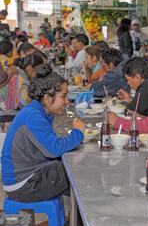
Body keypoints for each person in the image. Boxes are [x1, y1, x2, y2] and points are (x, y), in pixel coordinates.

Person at [1, 63, 85, 203]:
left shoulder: (38, 111)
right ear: (47, 98)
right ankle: (75, 223)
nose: (67, 101)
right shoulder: (33, 116)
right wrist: (77, 133)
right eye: (63, 96)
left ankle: (74, 222)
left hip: (30, 175)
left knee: (74, 172)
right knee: (77, 172)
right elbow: (54, 149)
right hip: (24, 185)